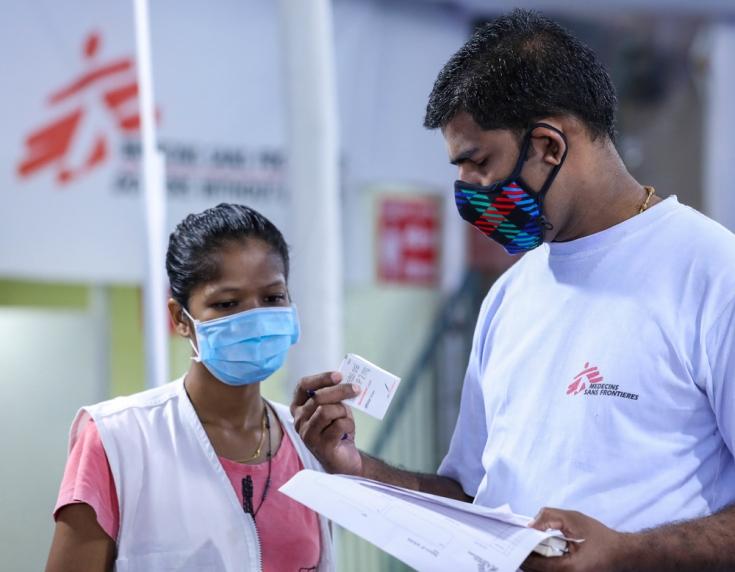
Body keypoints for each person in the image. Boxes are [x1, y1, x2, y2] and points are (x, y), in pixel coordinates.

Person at [290, 9, 735, 572]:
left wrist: (626, 553)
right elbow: (473, 498)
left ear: (549, 145)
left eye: (478, 162)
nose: (467, 189)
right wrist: (359, 470)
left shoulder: (712, 275)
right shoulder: (511, 295)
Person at [46, 204, 334, 572]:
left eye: (273, 298)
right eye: (227, 303)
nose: (255, 317)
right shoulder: (117, 438)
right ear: (181, 319)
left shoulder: (306, 444)